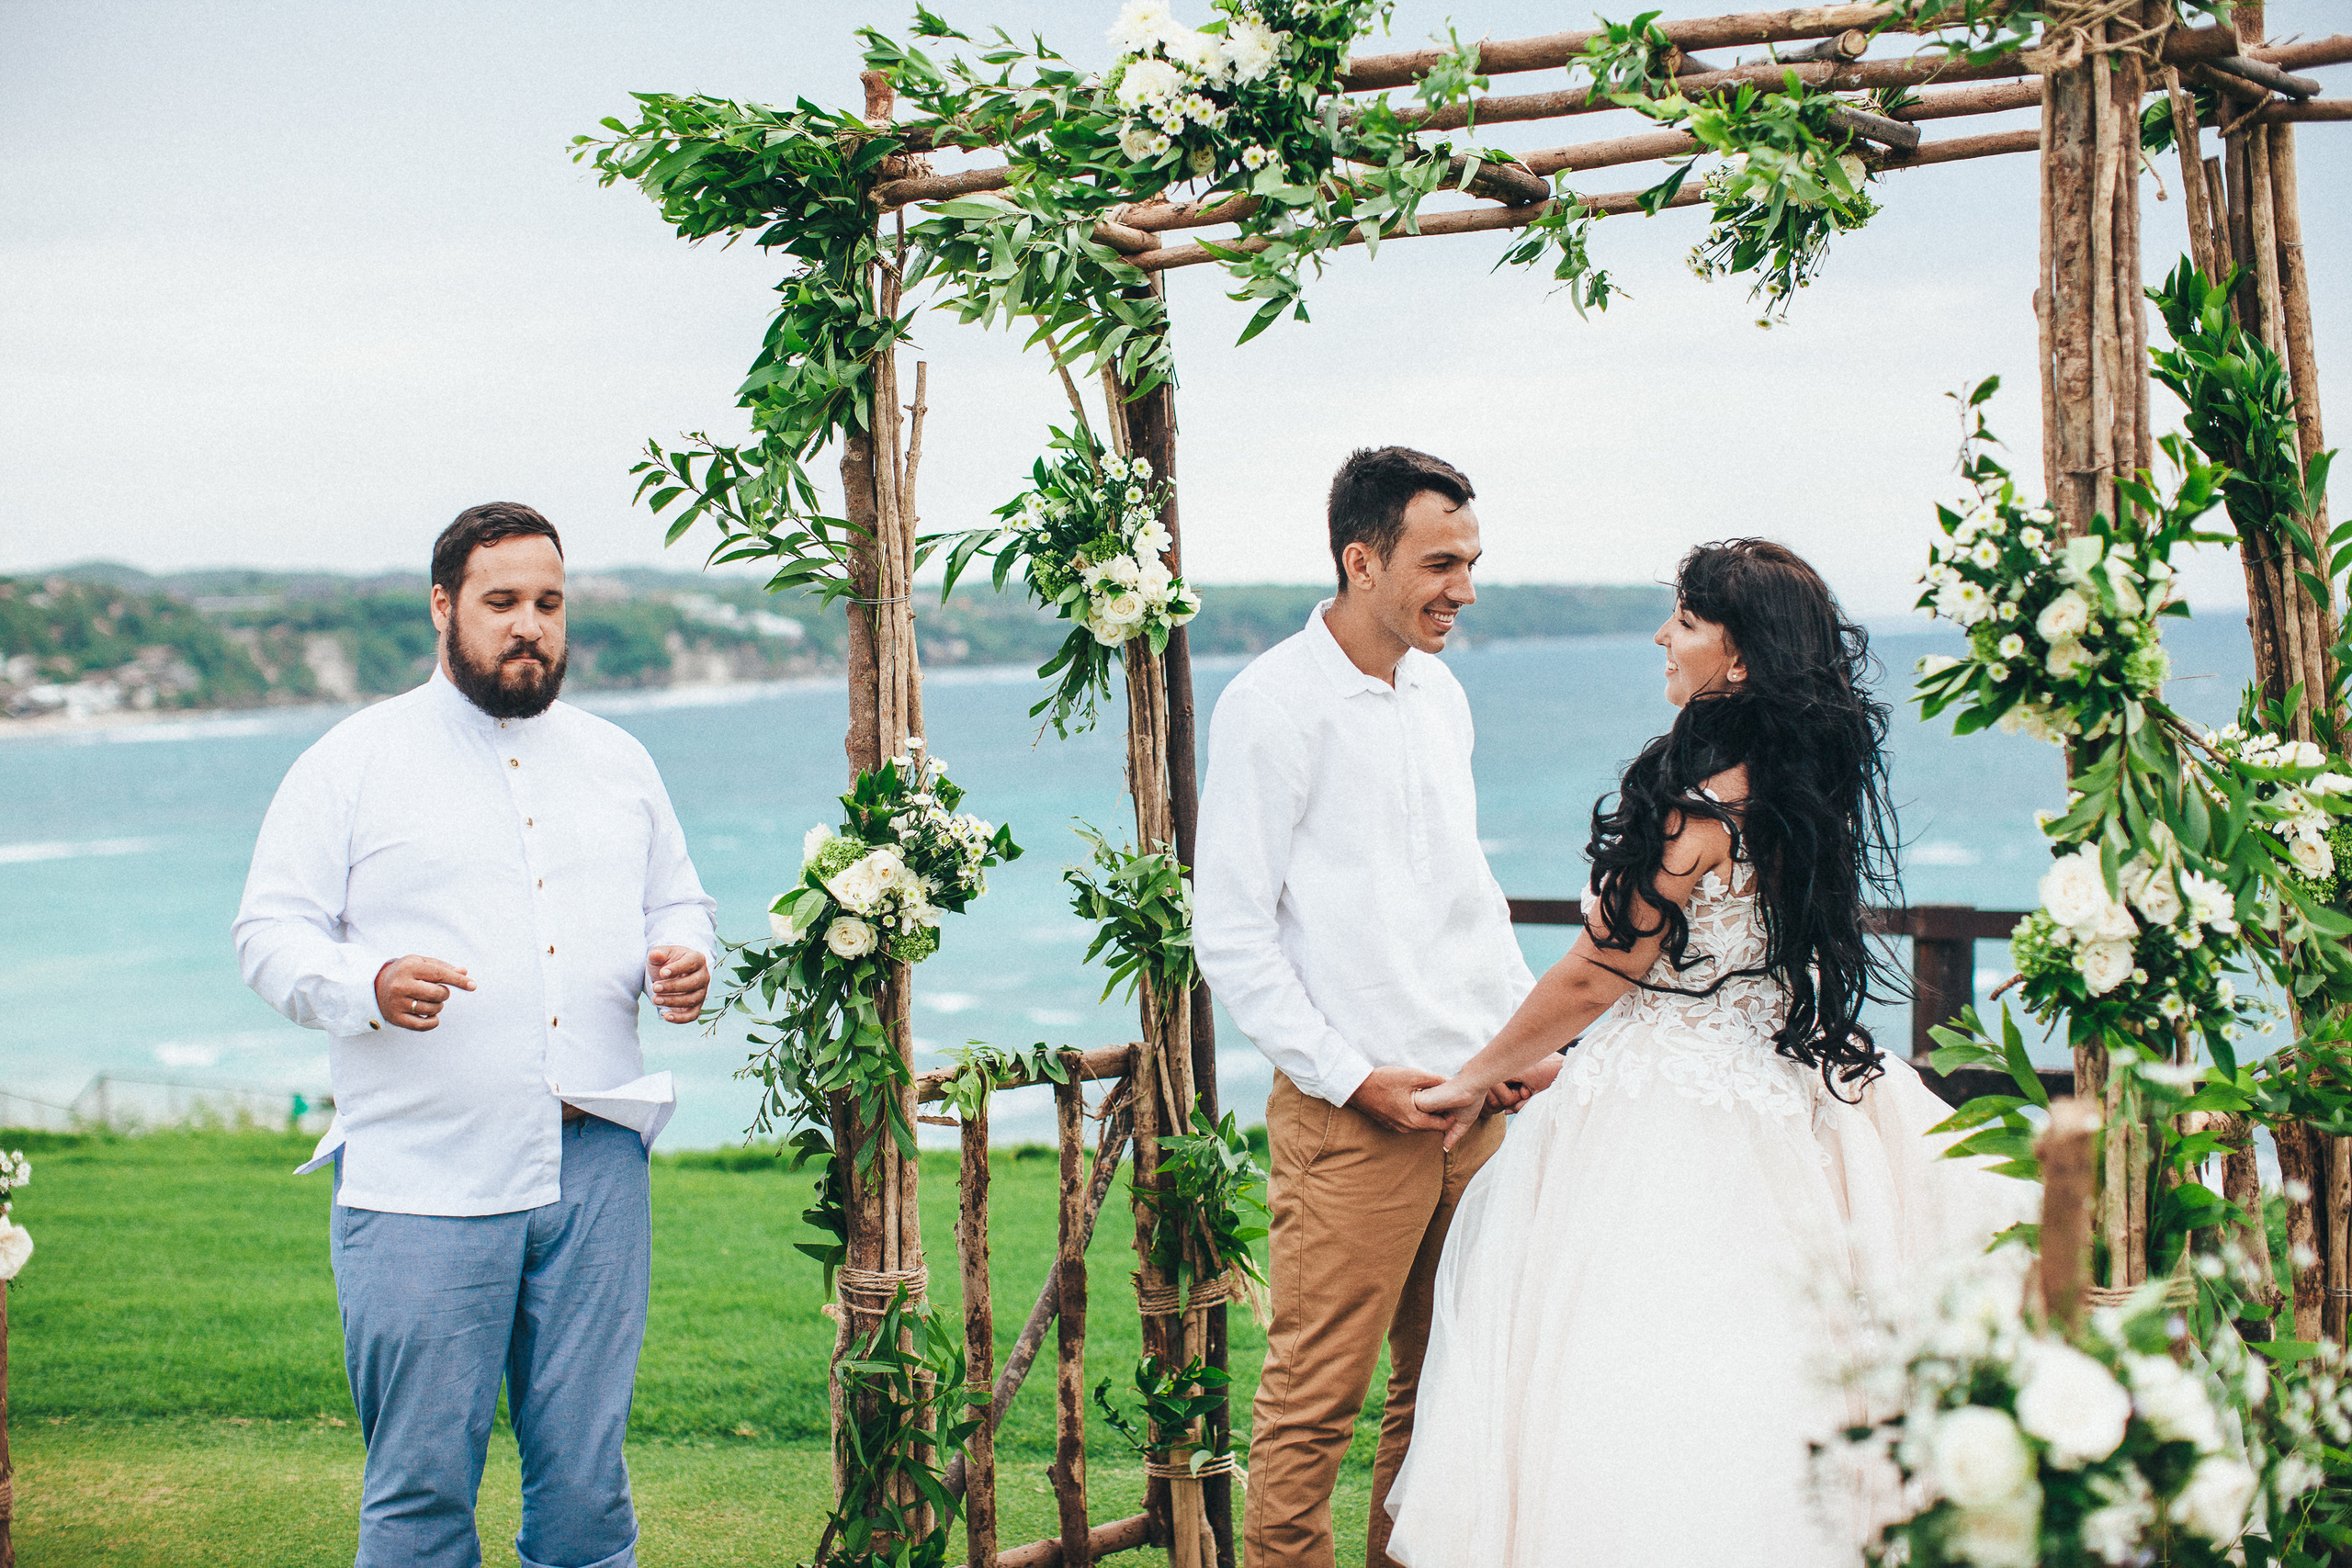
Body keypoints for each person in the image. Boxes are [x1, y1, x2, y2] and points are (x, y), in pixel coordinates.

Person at [1382, 539, 2031, 1567]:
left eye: (1682, 621)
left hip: (1669, 1121)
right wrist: (1563, 1062)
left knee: (1645, 1376)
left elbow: (1599, 973)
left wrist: (1472, 1075)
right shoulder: (1794, 785)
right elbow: (1732, 975)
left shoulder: (1699, 812)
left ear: (1736, 660)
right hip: (1770, 1084)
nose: (1660, 637)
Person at [233, 502, 716, 1568]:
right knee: (418, 1497)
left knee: (589, 1492)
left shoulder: (620, 759)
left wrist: (685, 956)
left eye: (548, 604)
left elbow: (677, 904)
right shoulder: (351, 760)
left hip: (596, 1161)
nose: (529, 626)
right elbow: (267, 933)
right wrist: (366, 981)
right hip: (420, 1176)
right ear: (445, 607)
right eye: (502, 603)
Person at [1195, 446, 1551, 1568]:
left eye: (1473, 562)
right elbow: (1235, 938)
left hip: (1474, 1106)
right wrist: (1354, 1078)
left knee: (1443, 1399)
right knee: (1314, 1407)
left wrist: (1519, 1043)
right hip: (1353, 1124)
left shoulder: (1440, 694)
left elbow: (1464, 896)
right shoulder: (1270, 707)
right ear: (1362, 560)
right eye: (1440, 562)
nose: (1465, 589)